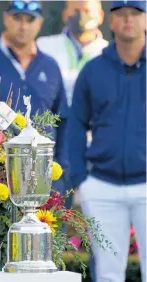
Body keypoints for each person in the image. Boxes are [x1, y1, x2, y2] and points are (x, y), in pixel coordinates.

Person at [68, 1, 146, 282]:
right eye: (121, 14)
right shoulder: (93, 70)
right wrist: (80, 177)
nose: (128, 20)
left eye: (135, 14)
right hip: (101, 184)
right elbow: (76, 123)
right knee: (108, 275)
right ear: (110, 22)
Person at [0, 0, 69, 196]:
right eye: (17, 18)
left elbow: (63, 120)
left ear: (40, 23)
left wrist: (62, 170)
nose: (23, 25)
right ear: (5, 18)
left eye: (30, 20)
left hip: (43, 172)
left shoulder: (50, 66)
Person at [37, 0, 108, 107]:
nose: (81, 15)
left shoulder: (110, 53)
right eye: (76, 10)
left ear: (100, 15)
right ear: (65, 14)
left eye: (86, 10)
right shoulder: (43, 46)